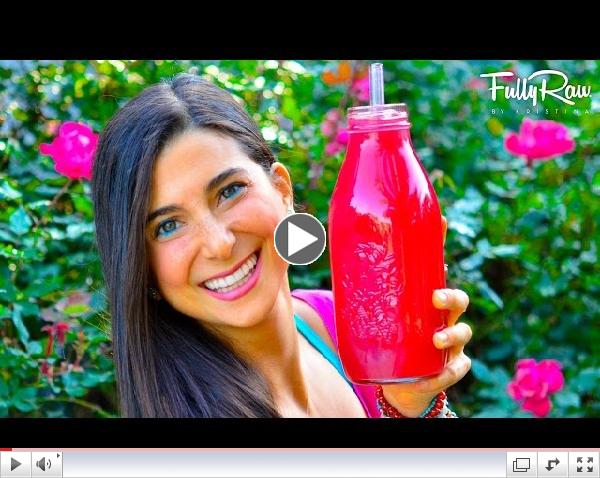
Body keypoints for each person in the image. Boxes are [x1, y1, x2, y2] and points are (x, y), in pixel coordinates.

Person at [91, 73, 472, 418]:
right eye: (168, 226)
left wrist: (416, 404)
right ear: (141, 265)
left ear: (282, 190)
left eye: (230, 191)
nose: (219, 245)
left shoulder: (332, 322)